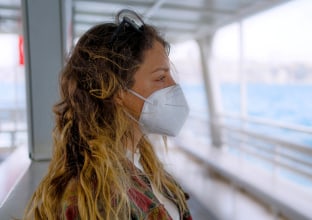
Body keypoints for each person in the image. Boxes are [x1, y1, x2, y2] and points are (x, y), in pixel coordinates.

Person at [24, 9, 191, 220]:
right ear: (117, 91)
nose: (174, 87)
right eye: (160, 78)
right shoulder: (91, 198)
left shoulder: (146, 164)